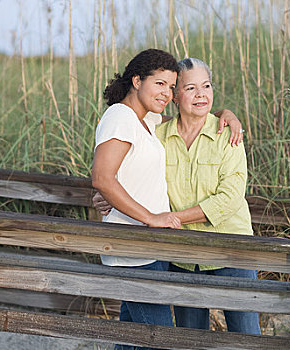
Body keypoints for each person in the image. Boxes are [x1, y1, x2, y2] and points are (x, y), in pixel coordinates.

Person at [94, 57, 260, 335]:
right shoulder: (157, 133)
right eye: (190, 88)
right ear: (174, 97)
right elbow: (117, 173)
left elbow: (229, 199)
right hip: (182, 254)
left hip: (231, 250)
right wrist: (105, 196)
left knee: (246, 335)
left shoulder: (228, 135)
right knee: (187, 337)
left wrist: (167, 218)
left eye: (206, 86)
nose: (201, 94)